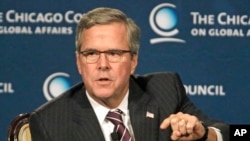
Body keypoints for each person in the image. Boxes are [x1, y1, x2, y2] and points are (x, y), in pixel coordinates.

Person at [29, 7, 229, 141]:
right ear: (78, 62)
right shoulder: (50, 121)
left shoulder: (165, 90)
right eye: (91, 54)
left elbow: (236, 133)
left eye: (114, 53)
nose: (103, 64)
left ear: (133, 61)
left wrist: (204, 134)